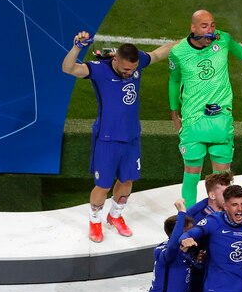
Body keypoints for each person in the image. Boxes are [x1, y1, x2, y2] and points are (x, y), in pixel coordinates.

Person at [61, 32, 177, 242]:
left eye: (132, 70)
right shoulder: (97, 69)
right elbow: (68, 68)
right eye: (125, 69)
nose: (128, 73)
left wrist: (188, 40)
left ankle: (115, 216)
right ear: (115, 59)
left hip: (132, 136)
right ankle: (95, 221)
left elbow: (159, 54)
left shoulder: (137, 62)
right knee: (103, 185)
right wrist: (77, 47)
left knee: (127, 180)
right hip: (107, 137)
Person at [169, 9, 242, 207]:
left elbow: (241, 52)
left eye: (212, 25)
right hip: (193, 121)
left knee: (222, 179)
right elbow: (174, 82)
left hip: (221, 121)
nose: (210, 30)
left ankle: (219, 220)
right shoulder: (178, 53)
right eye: (204, 26)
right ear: (193, 28)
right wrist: (174, 113)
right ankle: (189, 220)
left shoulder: (223, 40)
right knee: (191, 174)